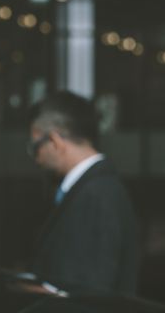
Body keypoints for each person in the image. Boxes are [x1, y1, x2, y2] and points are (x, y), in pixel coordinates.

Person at [27, 90, 139, 296]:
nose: (36, 159)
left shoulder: (96, 196)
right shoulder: (97, 189)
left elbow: (87, 296)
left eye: (34, 147)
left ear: (54, 141)